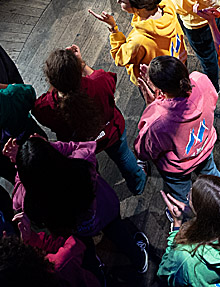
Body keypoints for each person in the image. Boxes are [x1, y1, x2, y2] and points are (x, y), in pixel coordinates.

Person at [7, 135, 151, 274]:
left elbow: (18, 195)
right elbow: (81, 146)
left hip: (75, 230)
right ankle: (139, 259)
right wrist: (47, 145)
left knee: (85, 253)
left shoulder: (27, 199)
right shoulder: (82, 162)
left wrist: (21, 165)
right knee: (120, 234)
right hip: (105, 211)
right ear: (52, 155)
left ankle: (98, 275)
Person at [32, 45, 147, 195]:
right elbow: (106, 79)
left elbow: (39, 110)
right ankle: (138, 186)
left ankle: (99, 191)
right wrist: (83, 64)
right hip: (111, 132)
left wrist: (55, 85)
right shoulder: (99, 82)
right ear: (78, 72)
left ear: (51, 80)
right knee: (124, 157)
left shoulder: (45, 106)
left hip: (80, 146)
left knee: (89, 168)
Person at [134, 55, 220, 204]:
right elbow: (212, 100)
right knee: (214, 179)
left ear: (160, 89)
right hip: (205, 148)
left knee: (183, 196)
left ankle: (185, 213)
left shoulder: (157, 119)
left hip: (179, 168)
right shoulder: (201, 79)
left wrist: (153, 106)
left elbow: (143, 150)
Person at [88, 0, 187, 86]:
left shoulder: (139, 41)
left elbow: (119, 57)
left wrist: (114, 29)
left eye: (123, 1)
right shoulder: (167, 5)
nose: (117, 1)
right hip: (178, 62)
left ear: (139, 6)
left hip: (157, 83)